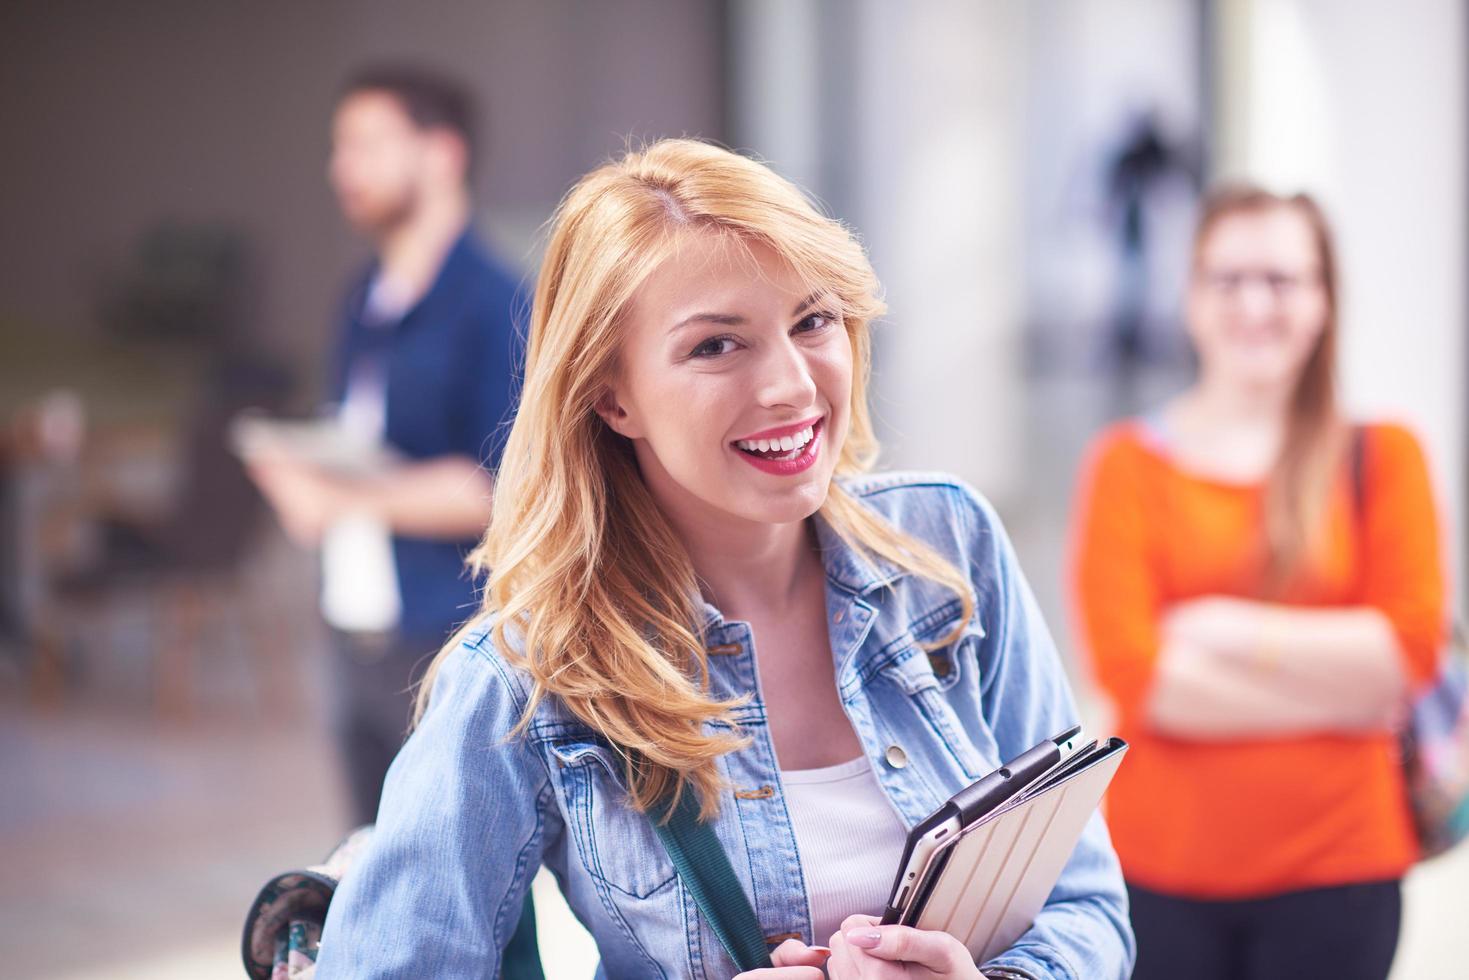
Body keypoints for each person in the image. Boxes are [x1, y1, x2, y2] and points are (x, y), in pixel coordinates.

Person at [313, 139, 1133, 980]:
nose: (790, 384)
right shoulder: (528, 676)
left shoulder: (948, 546)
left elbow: (1085, 905)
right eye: (715, 346)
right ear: (612, 395)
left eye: (811, 321)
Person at [1070, 185, 1446, 980]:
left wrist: (1224, 629)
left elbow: (1408, 649)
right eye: (1227, 279)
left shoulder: (1384, 457)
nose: (1253, 304)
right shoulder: (1126, 466)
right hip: (1157, 872)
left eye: (1280, 280)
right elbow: (1135, 678)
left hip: (1340, 872)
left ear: (1321, 301)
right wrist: (1346, 694)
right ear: (1191, 298)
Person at [247, 66, 522, 826]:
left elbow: (504, 487)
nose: (343, 169)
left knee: (464, 896)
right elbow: (362, 439)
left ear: (442, 153)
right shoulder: (362, 295)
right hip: (354, 630)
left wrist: (332, 498)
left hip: (448, 639)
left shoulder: (498, 302)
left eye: (366, 144)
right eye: (340, 148)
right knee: (368, 868)